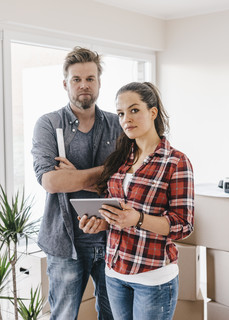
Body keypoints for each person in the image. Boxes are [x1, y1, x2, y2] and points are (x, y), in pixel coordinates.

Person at [80, 81, 194, 320]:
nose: (126, 119)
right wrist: (103, 222)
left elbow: (183, 225)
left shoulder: (176, 162)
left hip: (153, 278)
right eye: (121, 113)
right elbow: (117, 214)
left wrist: (138, 219)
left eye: (134, 110)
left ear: (152, 112)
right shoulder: (120, 160)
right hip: (114, 273)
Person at [31, 46, 120, 320]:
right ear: (65, 84)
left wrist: (75, 176)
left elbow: (129, 179)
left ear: (99, 82)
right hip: (64, 242)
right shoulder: (48, 124)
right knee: (63, 316)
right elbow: (51, 181)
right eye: (76, 79)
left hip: (111, 238)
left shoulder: (118, 125)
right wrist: (104, 175)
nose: (84, 85)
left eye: (90, 78)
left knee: (113, 315)